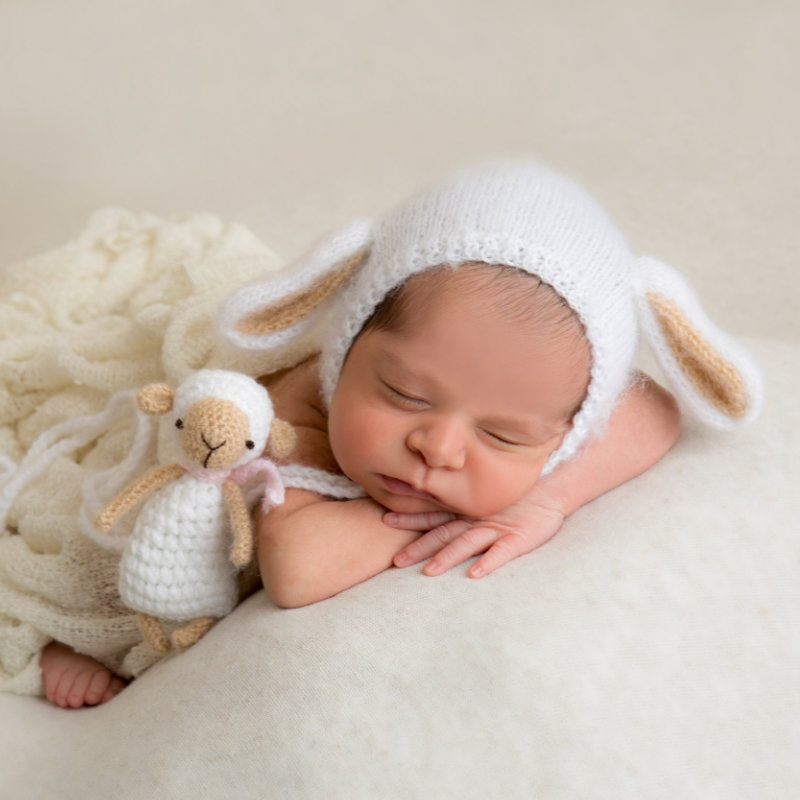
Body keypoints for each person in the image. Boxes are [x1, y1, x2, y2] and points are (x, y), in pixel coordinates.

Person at [36, 160, 762, 705]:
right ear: (346, 346)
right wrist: (456, 509)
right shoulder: (292, 414)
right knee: (78, 540)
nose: (438, 449)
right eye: (405, 395)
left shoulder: (547, 396)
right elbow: (294, 567)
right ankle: (52, 642)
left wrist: (544, 499)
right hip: (156, 481)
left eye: (503, 436)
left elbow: (655, 409)